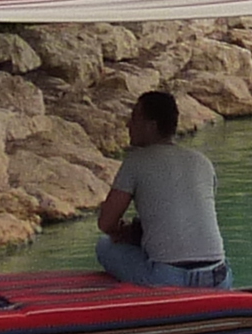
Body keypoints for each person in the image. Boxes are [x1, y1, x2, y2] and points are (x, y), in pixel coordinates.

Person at [97, 90, 232, 290]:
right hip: (217, 276)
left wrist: (123, 233)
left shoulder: (136, 161)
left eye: (134, 118)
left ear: (151, 126)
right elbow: (189, 215)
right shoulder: (202, 162)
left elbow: (106, 223)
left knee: (104, 245)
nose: (128, 125)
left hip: (169, 277)